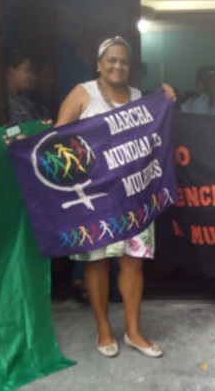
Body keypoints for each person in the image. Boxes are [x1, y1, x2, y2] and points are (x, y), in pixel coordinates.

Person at [55, 36, 176, 359]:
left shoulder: (138, 97)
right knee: (97, 263)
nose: (117, 66)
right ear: (99, 63)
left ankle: (133, 332)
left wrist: (165, 99)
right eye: (111, 60)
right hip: (94, 197)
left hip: (134, 195)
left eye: (124, 61)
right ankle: (104, 328)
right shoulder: (83, 93)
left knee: (133, 262)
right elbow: (58, 139)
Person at [5, 49, 53, 125]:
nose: (32, 77)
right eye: (27, 71)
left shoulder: (32, 99)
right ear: (12, 69)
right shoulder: (2, 100)